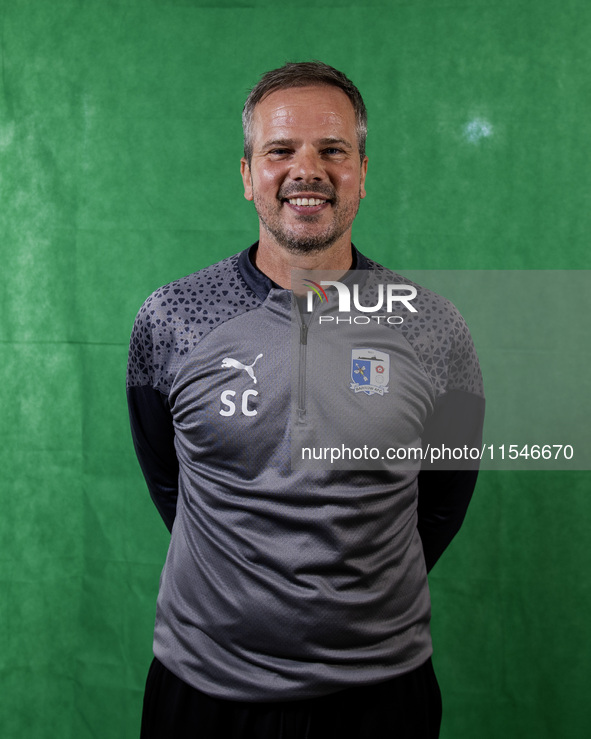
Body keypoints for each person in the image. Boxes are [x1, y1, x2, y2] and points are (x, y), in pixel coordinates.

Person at [127, 61, 485, 739]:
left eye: (332, 150)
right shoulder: (172, 318)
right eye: (280, 150)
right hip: (202, 690)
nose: (306, 170)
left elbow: (439, 501)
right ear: (246, 174)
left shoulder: (433, 329)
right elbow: (170, 479)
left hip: (379, 696)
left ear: (362, 172)